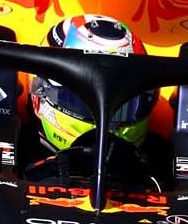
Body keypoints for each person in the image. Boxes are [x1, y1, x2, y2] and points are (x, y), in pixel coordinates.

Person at [26, 14, 165, 153]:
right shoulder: (17, 154)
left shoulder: (161, 157)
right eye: (86, 104)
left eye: (123, 107)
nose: (109, 125)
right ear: (39, 97)